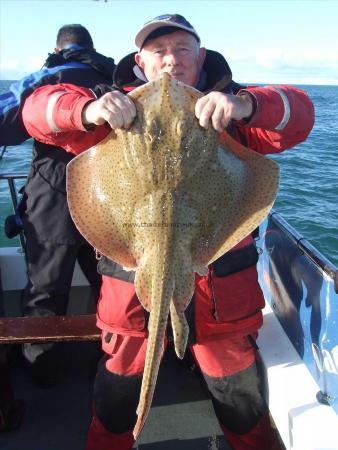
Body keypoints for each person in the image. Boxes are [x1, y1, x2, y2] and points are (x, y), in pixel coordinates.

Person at [21, 14, 314, 449]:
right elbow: (36, 111)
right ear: (141, 61)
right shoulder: (112, 111)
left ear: (201, 58)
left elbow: (300, 115)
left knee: (239, 398)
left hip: (222, 300)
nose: (170, 62)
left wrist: (247, 104)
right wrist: (86, 109)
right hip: (130, 294)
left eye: (182, 50)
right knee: (117, 396)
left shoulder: (233, 112)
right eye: (159, 52)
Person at [1, 24, 116, 387]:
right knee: (111, 288)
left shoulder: (47, 76)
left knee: (46, 292)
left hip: (54, 202)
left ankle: (43, 369)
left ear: (58, 47)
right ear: (92, 48)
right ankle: (117, 363)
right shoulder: (116, 77)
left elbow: (6, 124)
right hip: (109, 202)